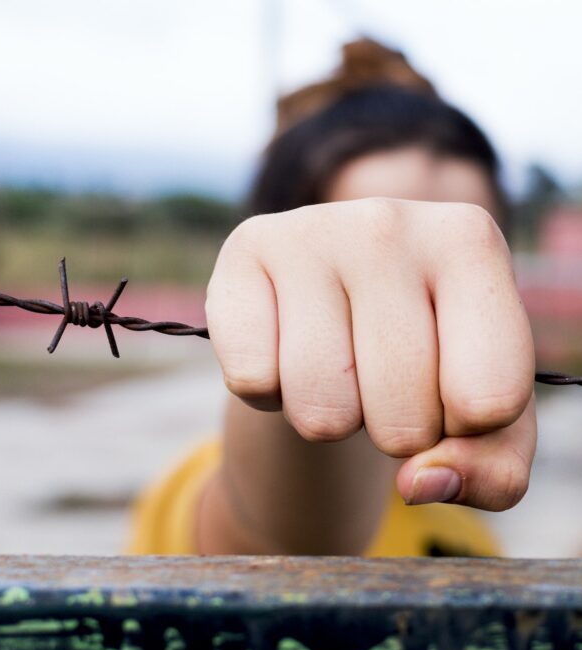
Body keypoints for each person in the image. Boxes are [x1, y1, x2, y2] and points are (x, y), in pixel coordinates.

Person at [129, 39, 535, 557]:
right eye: (371, 251)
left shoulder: (458, 517)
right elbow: (287, 537)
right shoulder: (203, 485)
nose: (424, 288)